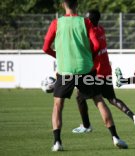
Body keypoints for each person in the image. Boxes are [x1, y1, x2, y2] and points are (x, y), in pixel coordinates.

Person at [43, 0, 127, 151]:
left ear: (63, 5)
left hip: (65, 71)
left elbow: (45, 47)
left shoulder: (56, 23)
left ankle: (57, 142)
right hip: (85, 69)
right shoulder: (85, 22)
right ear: (76, 5)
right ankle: (116, 137)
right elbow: (96, 45)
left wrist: (59, 56)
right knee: (99, 101)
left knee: (58, 105)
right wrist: (89, 57)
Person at [72, 9, 135, 134]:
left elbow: (90, 49)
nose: (85, 21)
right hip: (106, 70)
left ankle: (86, 126)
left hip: (96, 72)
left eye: (86, 19)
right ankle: (133, 116)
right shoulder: (101, 29)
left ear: (90, 20)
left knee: (80, 97)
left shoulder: (91, 34)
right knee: (112, 98)